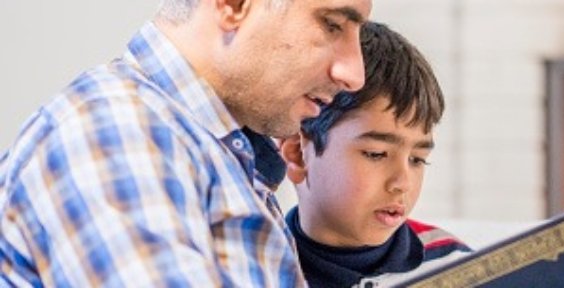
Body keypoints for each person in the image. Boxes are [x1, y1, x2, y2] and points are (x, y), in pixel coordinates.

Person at [0, 0, 371, 286]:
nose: (354, 74)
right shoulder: (117, 132)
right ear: (234, 4)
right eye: (332, 25)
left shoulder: (216, 153)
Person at [278, 22, 470, 287]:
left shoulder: (455, 265)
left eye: (417, 159)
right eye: (376, 154)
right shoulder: (258, 266)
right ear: (298, 154)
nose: (402, 183)